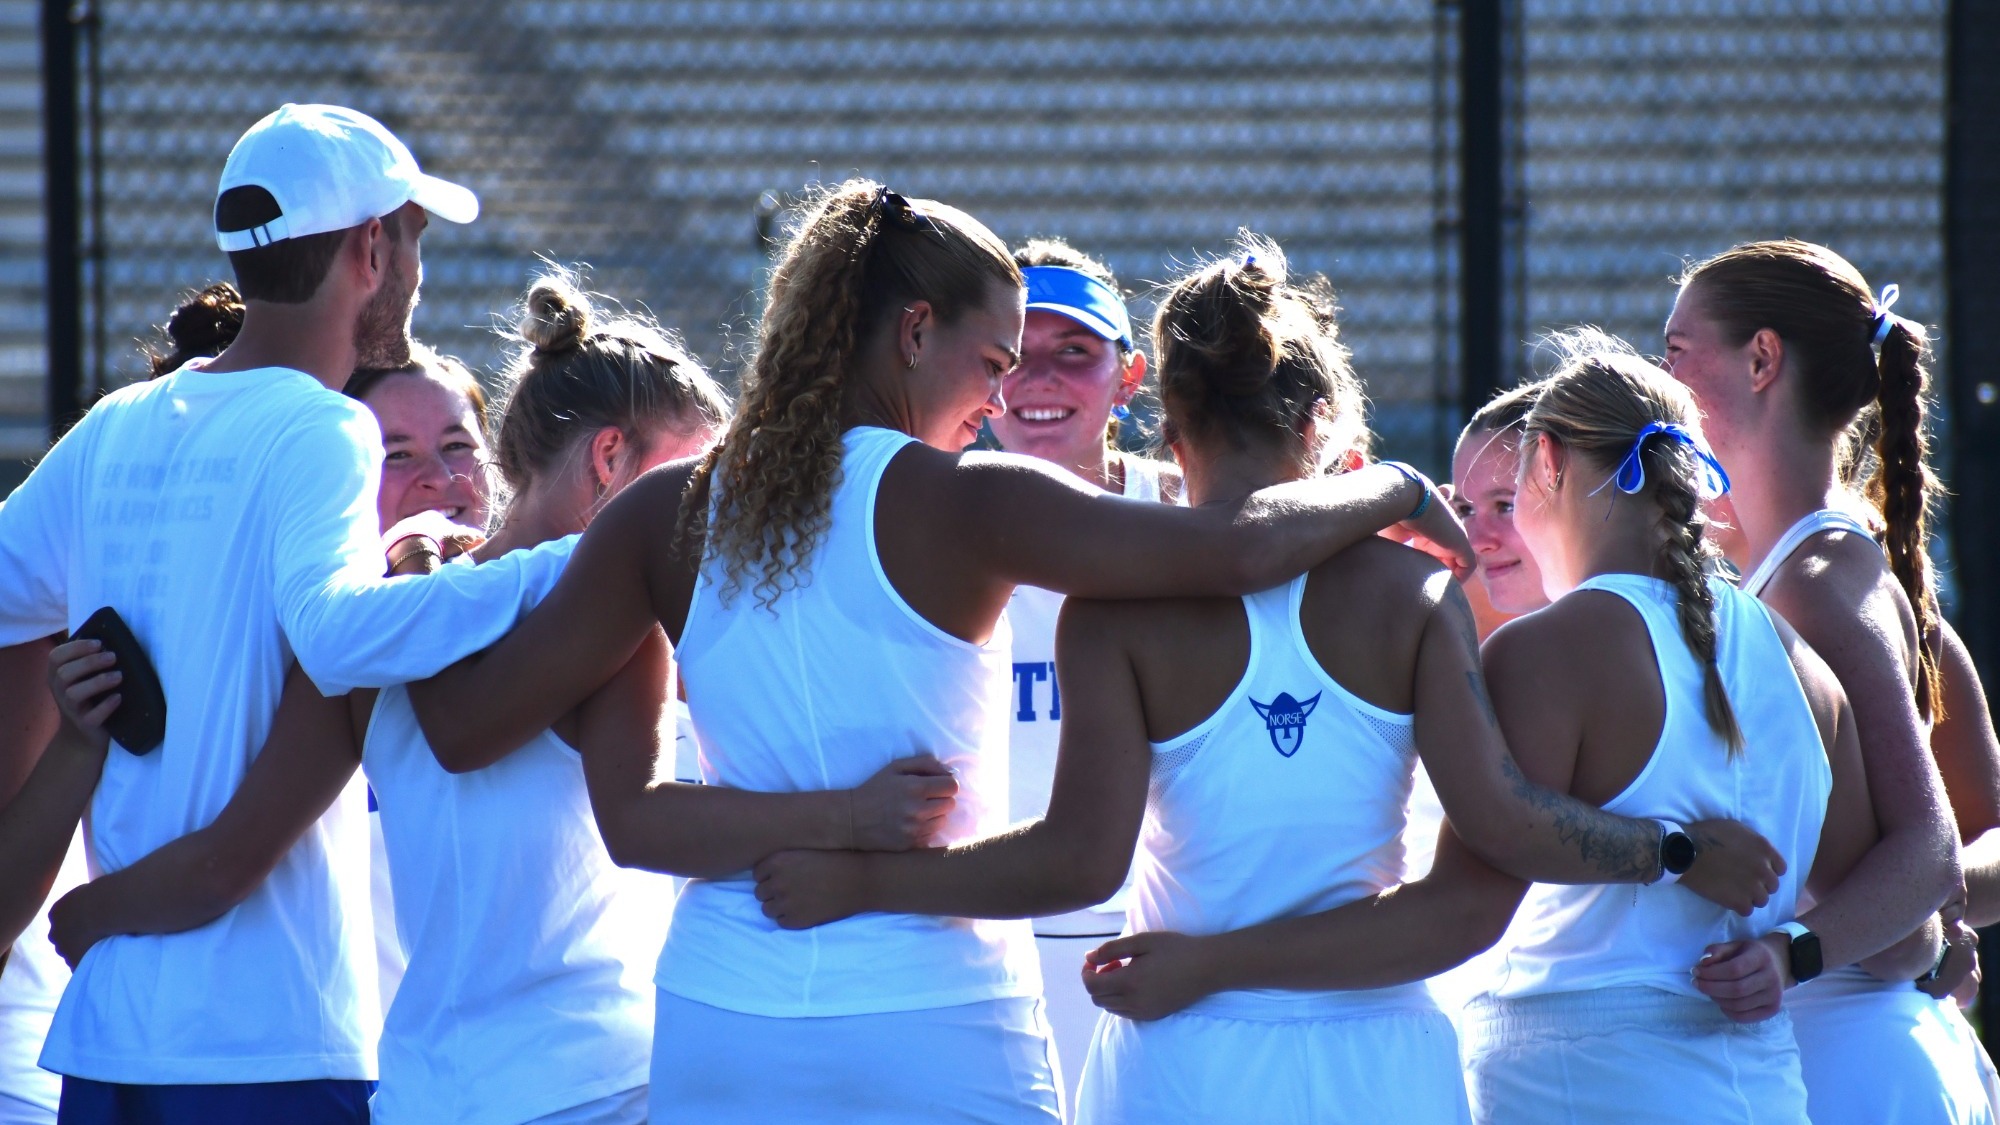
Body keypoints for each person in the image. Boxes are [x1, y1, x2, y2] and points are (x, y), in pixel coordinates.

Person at [405, 183, 1495, 1123]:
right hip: (930, 1011)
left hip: (722, 1017)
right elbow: (1232, 550)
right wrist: (1393, 485)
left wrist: (431, 584)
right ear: (913, 334)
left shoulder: (658, 515)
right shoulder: (970, 499)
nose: (990, 404)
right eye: (990, 361)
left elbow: (490, 744)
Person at [743, 246, 1792, 1124]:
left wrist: (868, 880)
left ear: (1169, 423)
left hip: (1184, 1058)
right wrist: (1672, 850)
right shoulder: (1414, 596)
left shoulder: (1112, 610)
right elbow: (1495, 850)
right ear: (1322, 421)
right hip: (1381, 1067)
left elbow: (1073, 863)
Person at [0, 104, 579, 1124]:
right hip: (264, 1048)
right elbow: (339, 633)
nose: (415, 269)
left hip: (106, 1046)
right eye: (413, 240)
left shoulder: (114, 426)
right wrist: (557, 568)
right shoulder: (322, 425)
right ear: (371, 247)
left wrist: (53, 758)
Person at [1666, 240, 1991, 1124]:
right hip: (1851, 1047)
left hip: (1851, 1061)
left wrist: (1806, 948)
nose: (1659, 380)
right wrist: (1923, 921)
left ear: (1761, 359)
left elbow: (1933, 847)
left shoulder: (1815, 586)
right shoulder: (1792, 571)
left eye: (1675, 352)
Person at [987, 237, 1177, 1113]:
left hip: (1157, 944)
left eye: (1076, 353)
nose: (1042, 381)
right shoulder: (930, 515)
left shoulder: (1185, 510)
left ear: (1129, 376)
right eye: (1018, 355)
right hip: (981, 935)